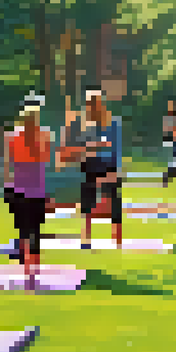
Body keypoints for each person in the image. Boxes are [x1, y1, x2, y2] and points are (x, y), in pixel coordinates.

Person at [5, 96, 52, 283]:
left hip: (19, 188)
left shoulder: (13, 137)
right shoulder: (44, 136)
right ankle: (36, 266)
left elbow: (9, 163)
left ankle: (26, 267)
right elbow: (47, 159)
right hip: (38, 189)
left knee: (23, 230)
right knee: (36, 230)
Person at [69, 90, 123, 249]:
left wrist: (115, 169)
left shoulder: (113, 123)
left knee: (114, 199)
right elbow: (79, 145)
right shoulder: (84, 125)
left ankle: (117, 239)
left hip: (108, 164)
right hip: (90, 164)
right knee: (87, 200)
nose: (91, 108)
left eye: (94, 104)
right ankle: (86, 239)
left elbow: (117, 147)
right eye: (89, 105)